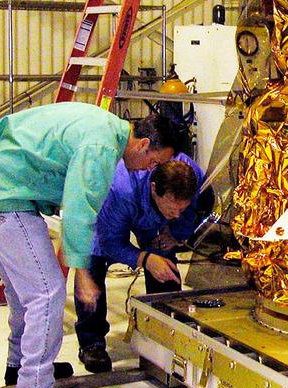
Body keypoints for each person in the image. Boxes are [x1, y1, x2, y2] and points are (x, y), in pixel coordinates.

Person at [0, 103, 179, 388]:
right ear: (145, 145)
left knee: (24, 293)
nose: (150, 170)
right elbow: (78, 209)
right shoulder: (102, 146)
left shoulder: (100, 122)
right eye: (154, 162)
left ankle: (20, 367)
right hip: (6, 199)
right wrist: (82, 272)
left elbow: (13, 120)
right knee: (46, 294)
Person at [74, 155, 204, 373]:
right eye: (172, 208)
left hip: (150, 214)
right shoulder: (119, 190)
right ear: (155, 189)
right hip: (108, 217)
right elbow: (109, 243)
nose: (176, 214)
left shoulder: (192, 174)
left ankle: (167, 330)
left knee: (165, 265)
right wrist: (145, 259)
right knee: (91, 263)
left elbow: (196, 207)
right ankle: (91, 343)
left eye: (181, 208)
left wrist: (176, 233)